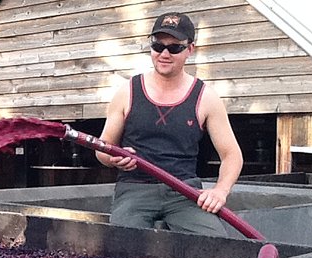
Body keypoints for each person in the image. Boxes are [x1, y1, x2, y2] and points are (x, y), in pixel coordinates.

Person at [96, 12, 243, 236]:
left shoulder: (206, 97)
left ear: (190, 49)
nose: (164, 53)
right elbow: (103, 148)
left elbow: (232, 155)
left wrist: (220, 192)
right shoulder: (127, 92)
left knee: (218, 243)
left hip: (184, 192)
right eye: (157, 46)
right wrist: (114, 157)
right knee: (123, 245)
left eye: (174, 48)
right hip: (135, 190)